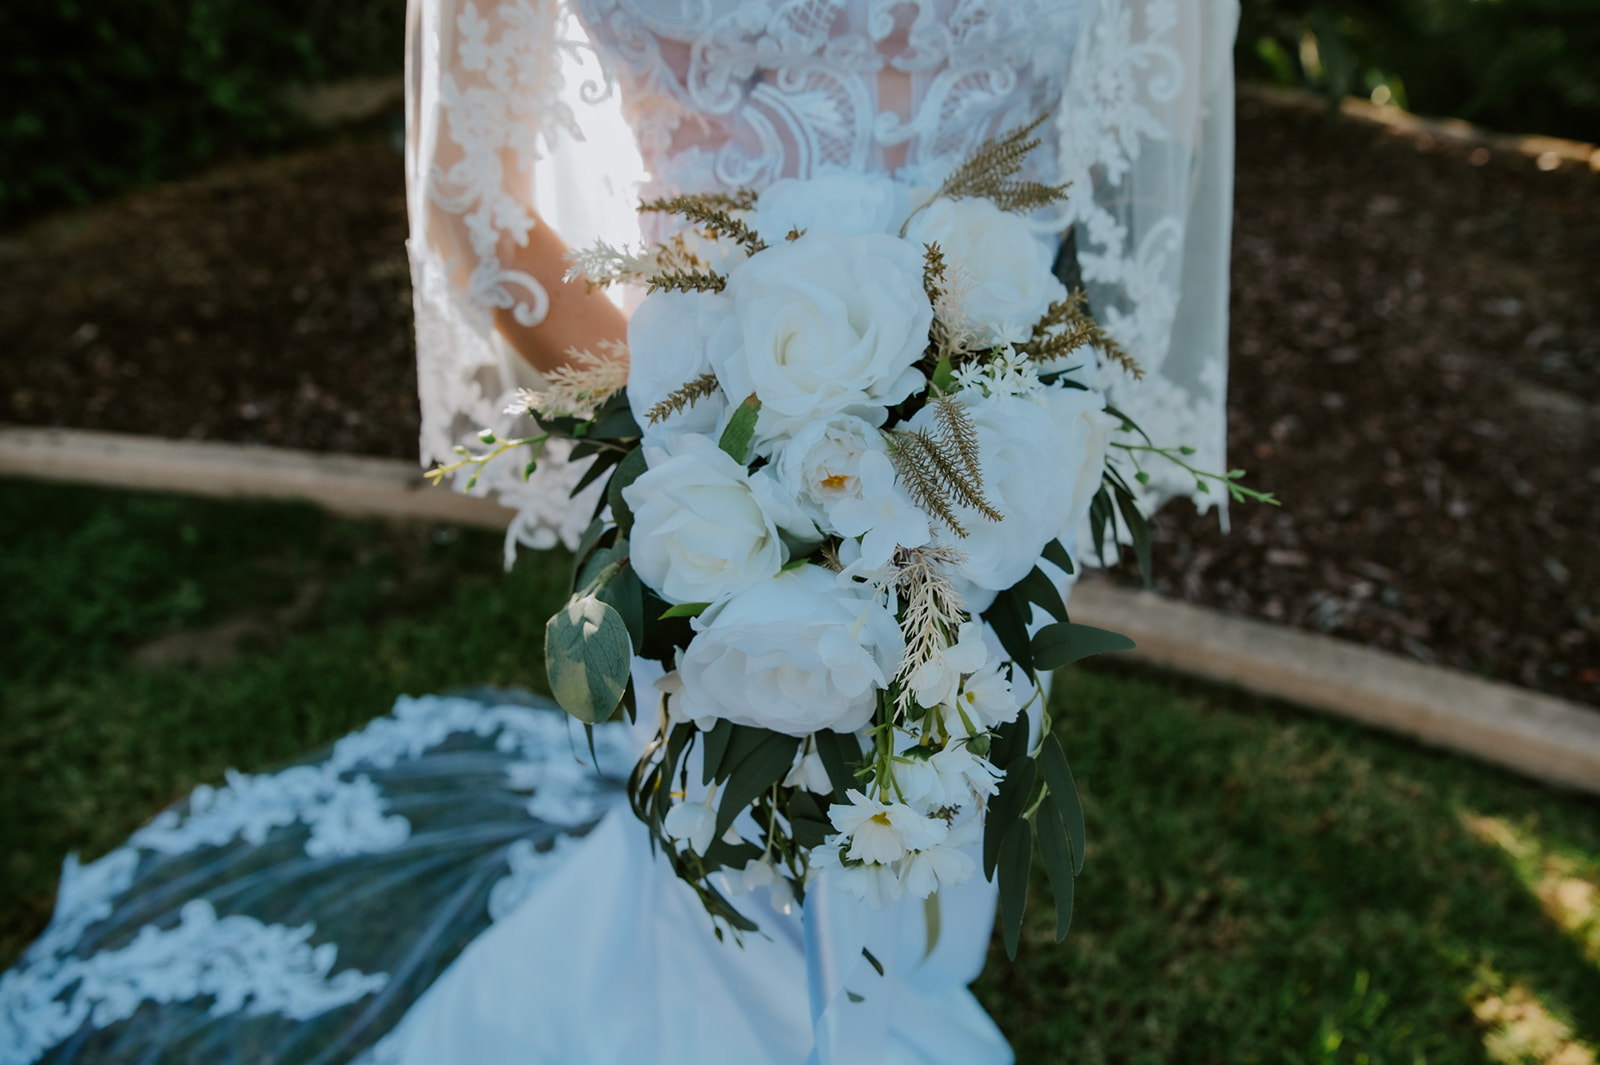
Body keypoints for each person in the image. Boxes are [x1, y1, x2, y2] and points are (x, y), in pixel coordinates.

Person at [0, 2, 1237, 1062]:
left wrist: (1008, 431)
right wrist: (711, 465)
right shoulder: (708, 474)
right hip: (712, 480)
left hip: (985, 471)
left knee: (927, 814)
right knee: (734, 850)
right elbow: (476, 197)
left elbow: (1155, 131)